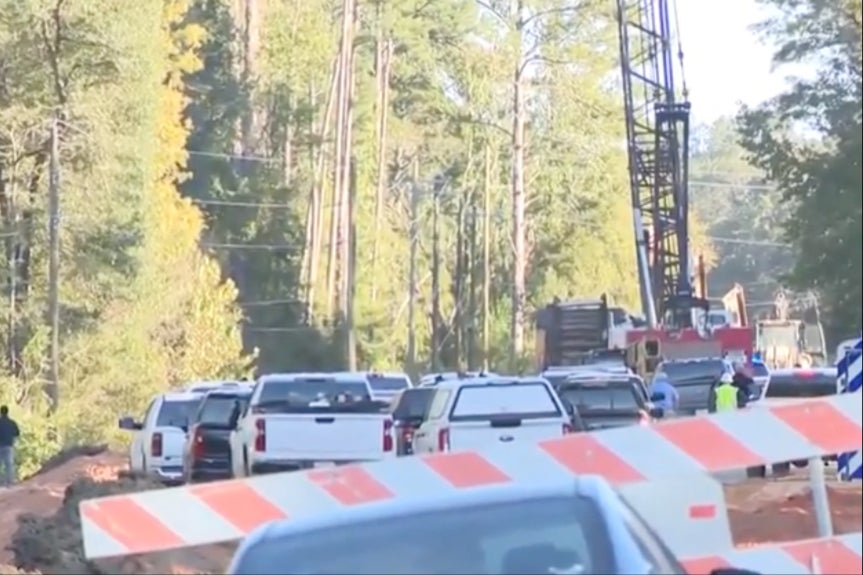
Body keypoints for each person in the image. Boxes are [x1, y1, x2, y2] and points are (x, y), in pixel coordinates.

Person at [0, 405, 20, 486]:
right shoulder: (12, 422)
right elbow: (17, 433)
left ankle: (1, 482)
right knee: (9, 464)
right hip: (9, 445)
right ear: (8, 412)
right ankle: (9, 482)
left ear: (1, 412)